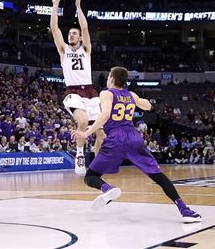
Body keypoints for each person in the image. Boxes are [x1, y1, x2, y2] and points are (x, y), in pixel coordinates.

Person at [72, 67, 201, 223]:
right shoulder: (131, 95)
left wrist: (86, 133)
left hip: (116, 138)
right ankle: (184, 209)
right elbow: (147, 106)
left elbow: (105, 115)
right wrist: (139, 101)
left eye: (108, 77)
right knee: (158, 176)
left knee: (90, 176)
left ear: (112, 79)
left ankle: (108, 189)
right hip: (134, 137)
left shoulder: (106, 93)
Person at [50, 0, 106, 175]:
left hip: (90, 92)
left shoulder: (86, 49)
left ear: (80, 38)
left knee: (102, 135)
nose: (71, 35)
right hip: (73, 92)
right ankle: (80, 154)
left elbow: (84, 27)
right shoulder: (64, 51)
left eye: (74, 34)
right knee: (81, 121)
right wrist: (55, 5)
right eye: (70, 34)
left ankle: (96, 168)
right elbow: (55, 29)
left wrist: (78, 6)